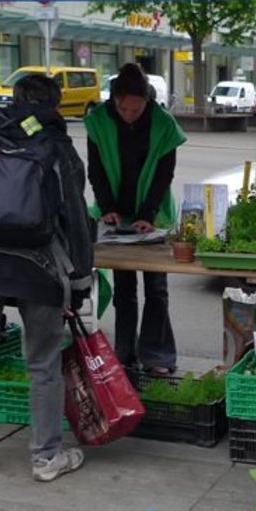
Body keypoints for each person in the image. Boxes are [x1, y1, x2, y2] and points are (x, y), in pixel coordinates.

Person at [0, 72, 93, 483]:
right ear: (56, 104)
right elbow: (75, 219)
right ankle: (46, 458)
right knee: (42, 363)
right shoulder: (58, 146)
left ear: (14, 97)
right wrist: (80, 278)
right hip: (40, 269)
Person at [85, 62, 185, 375]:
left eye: (135, 109)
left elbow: (164, 175)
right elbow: (96, 169)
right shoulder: (98, 122)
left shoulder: (164, 124)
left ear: (147, 101)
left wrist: (148, 215)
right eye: (122, 108)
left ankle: (157, 357)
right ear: (113, 101)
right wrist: (107, 207)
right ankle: (125, 353)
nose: (129, 114)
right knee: (124, 288)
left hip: (154, 213)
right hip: (116, 212)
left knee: (156, 287)